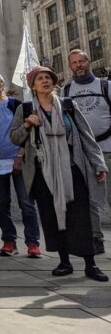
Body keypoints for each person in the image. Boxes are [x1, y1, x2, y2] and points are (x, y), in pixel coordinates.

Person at [11, 66, 109, 281]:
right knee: (52, 216)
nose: (45, 81)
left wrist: (99, 164)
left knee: (81, 216)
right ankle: (64, 262)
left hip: (72, 167)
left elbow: (86, 136)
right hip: (41, 171)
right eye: (40, 78)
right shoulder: (26, 109)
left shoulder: (67, 105)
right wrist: (28, 124)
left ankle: (91, 264)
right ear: (33, 85)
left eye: (48, 77)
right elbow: (15, 138)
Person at [0, 72, 41, 258]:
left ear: (3, 85)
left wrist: (20, 155)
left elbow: (26, 133)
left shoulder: (16, 105)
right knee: (2, 204)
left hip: (18, 159)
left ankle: (33, 243)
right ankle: (9, 241)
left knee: (27, 204)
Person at [63, 49, 111, 255]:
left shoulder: (105, 86)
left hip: (107, 150)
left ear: (89, 62)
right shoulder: (66, 91)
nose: (79, 65)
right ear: (70, 66)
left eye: (82, 61)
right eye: (74, 62)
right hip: (81, 154)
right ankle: (95, 240)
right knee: (89, 199)